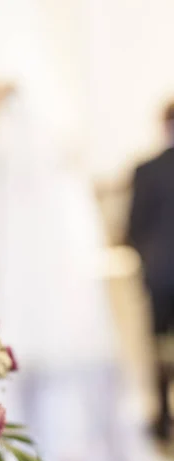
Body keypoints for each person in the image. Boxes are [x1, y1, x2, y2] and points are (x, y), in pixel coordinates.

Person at [127, 102, 174, 440]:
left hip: (159, 273)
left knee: (158, 346)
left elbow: (132, 228)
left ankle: (162, 417)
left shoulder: (146, 170)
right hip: (160, 271)